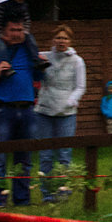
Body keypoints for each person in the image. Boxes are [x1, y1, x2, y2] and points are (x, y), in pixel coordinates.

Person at [0, 9, 44, 208]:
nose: (17, 33)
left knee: (24, 158)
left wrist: (41, 68)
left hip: (27, 109)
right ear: (2, 31)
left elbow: (38, 79)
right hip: (1, 111)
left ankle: (22, 200)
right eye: (13, 29)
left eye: (20, 29)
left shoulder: (28, 50)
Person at [32, 25, 86, 202]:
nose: (61, 41)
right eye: (58, 38)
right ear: (53, 40)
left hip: (66, 113)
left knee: (64, 152)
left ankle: (63, 189)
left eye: (65, 38)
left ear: (70, 41)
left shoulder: (77, 61)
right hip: (45, 110)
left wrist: (71, 100)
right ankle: (47, 192)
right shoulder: (44, 56)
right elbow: (33, 69)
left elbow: (80, 86)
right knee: (46, 154)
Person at [0, 0, 48, 70]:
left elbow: (27, 20)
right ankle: (5, 64)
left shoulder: (23, 7)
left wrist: (25, 32)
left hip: (14, 28)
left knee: (31, 40)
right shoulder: (1, 7)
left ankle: (37, 59)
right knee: (1, 46)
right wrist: (1, 35)